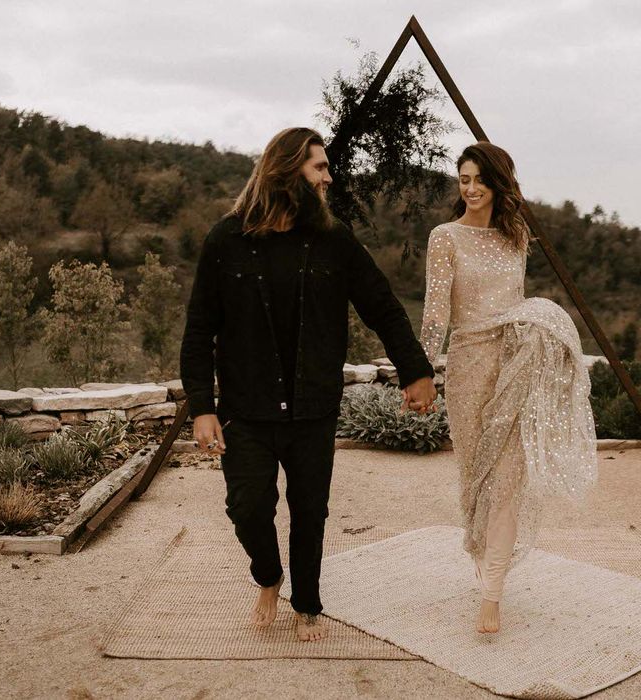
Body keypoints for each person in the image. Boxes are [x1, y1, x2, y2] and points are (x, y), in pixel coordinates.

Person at [180, 127, 436, 642]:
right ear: (287, 170)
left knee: (309, 511)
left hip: (312, 406)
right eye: (319, 167)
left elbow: (382, 307)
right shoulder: (227, 239)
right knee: (247, 507)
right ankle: (269, 577)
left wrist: (416, 372)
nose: (328, 177)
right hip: (245, 409)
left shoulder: (333, 239)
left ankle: (308, 603)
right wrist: (202, 407)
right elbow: (199, 328)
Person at [419, 141, 597, 634]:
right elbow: (435, 315)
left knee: (509, 482)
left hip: (516, 365)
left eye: (479, 179)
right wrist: (421, 372)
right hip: (469, 367)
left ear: (498, 182)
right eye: (463, 180)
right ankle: (485, 570)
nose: (471, 188)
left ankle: (492, 594)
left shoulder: (515, 237)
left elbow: (516, 301)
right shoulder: (444, 237)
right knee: (476, 480)